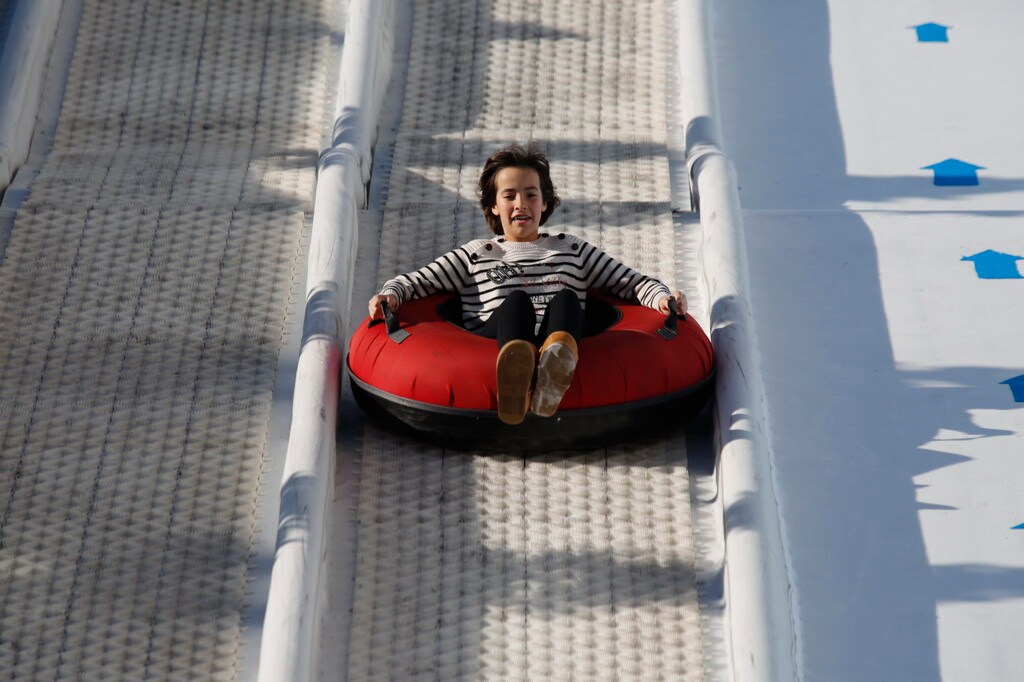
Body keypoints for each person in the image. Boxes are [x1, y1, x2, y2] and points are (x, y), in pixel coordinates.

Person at [368, 143, 687, 426]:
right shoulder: (477, 253)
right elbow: (421, 280)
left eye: (530, 194)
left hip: (562, 331)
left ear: (545, 203)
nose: (521, 203)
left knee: (566, 300)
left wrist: (661, 296)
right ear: (494, 206)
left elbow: (627, 282)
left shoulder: (571, 247)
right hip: (495, 336)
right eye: (509, 196)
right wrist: (392, 294)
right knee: (516, 301)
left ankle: (555, 364)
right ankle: (516, 372)